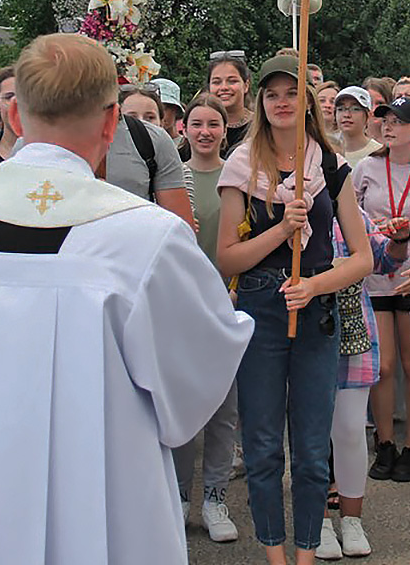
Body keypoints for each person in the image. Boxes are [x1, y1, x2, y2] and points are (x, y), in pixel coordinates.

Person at [0, 33, 252, 564]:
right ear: (111, 123)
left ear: (15, 115)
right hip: (101, 514)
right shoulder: (146, 238)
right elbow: (198, 375)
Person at [216, 55, 373, 565]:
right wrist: (282, 229)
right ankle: (275, 556)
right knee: (262, 447)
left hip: (317, 311)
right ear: (261, 102)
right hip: (261, 310)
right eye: (272, 94)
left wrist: (316, 284)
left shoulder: (330, 167)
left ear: (307, 103)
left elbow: (363, 257)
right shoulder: (241, 165)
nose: (282, 102)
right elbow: (228, 258)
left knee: (310, 449)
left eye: (292, 93)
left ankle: (306, 555)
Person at [353, 98, 410, 486]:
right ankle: (384, 441)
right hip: (375, 275)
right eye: (385, 119)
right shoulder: (367, 167)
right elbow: (349, 215)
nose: (388, 126)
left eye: (399, 121)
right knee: (381, 366)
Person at [317, 211, 405, 560]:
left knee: (351, 430)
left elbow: (384, 260)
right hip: (306, 331)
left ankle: (351, 520)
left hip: (353, 332)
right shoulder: (287, 204)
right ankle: (318, 522)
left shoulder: (351, 212)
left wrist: (398, 240)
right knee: (311, 433)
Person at [174, 93, 240, 542]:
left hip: (229, 302)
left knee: (224, 410)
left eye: (212, 125)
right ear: (184, 128)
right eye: (196, 123)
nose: (204, 132)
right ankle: (177, 497)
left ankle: (216, 497)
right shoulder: (172, 179)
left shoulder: (236, 177)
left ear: (223, 130)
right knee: (181, 408)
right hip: (181, 306)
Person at [106, 86, 195, 227]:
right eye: (132, 118)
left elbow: (181, 227)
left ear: (161, 121)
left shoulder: (161, 147)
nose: (141, 123)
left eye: (150, 117)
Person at [207, 52, 253, 155]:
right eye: (217, 82)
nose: (224, 87)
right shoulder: (200, 127)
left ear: (246, 85)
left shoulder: (260, 126)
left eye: (232, 81)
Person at [334, 87, 381, 166]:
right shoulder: (329, 152)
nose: (347, 115)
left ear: (368, 115)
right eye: (341, 109)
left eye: (355, 109)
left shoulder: (378, 153)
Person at [363, 78, 394, 144]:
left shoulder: (399, 142)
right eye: (370, 103)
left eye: (380, 103)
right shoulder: (351, 140)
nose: (374, 109)